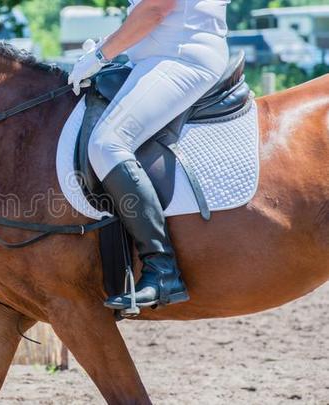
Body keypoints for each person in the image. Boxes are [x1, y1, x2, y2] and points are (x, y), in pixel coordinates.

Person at [68, 0, 230, 308]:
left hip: (182, 57)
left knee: (107, 144)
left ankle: (162, 269)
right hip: (153, 58)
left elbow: (156, 8)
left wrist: (102, 54)